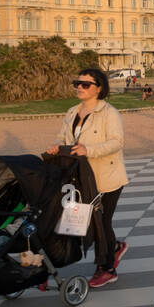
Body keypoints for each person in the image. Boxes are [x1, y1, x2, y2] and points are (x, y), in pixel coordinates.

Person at [44, 68, 129, 286]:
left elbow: (117, 142)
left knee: (101, 221)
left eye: (85, 84)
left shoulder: (109, 113)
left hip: (106, 177)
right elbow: (62, 136)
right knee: (83, 219)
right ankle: (115, 247)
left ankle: (107, 268)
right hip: (79, 178)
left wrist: (88, 150)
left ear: (99, 88)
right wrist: (57, 147)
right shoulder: (72, 112)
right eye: (77, 83)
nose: (79, 88)